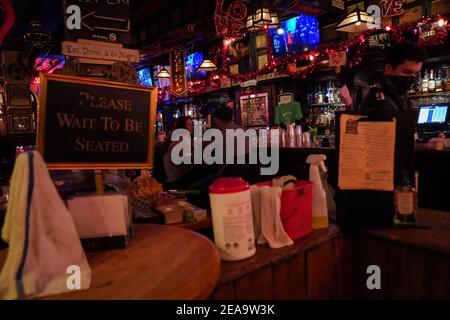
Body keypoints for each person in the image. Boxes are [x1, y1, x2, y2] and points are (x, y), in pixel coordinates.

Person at [360, 41, 427, 112]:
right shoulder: (379, 103)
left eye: (416, 74)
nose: (412, 78)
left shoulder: (393, 95)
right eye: (407, 72)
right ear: (389, 68)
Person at [163, 116, 196, 189]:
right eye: (189, 125)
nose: (192, 127)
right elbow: (187, 161)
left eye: (192, 125)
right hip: (177, 179)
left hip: (171, 177)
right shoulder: (181, 139)